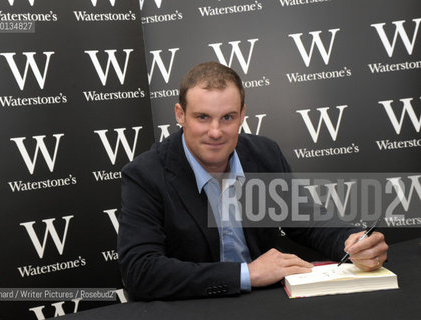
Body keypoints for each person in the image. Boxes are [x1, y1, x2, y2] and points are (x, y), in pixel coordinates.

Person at [117, 62, 388, 301]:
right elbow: (140, 271)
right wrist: (246, 274)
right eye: (202, 117)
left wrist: (352, 242)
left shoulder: (264, 154)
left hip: (264, 303)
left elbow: (307, 221)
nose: (215, 131)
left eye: (227, 117)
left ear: (242, 115)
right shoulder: (146, 174)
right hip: (193, 307)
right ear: (180, 114)